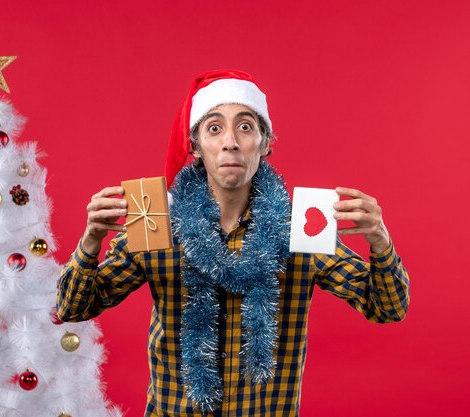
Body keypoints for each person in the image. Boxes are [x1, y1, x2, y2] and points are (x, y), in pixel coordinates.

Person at [56, 69, 410, 417]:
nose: (230, 141)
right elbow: (73, 308)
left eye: (245, 127)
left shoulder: (301, 228)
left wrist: (380, 241)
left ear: (266, 143)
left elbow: (386, 307)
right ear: (195, 146)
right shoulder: (157, 220)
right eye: (214, 128)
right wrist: (91, 241)